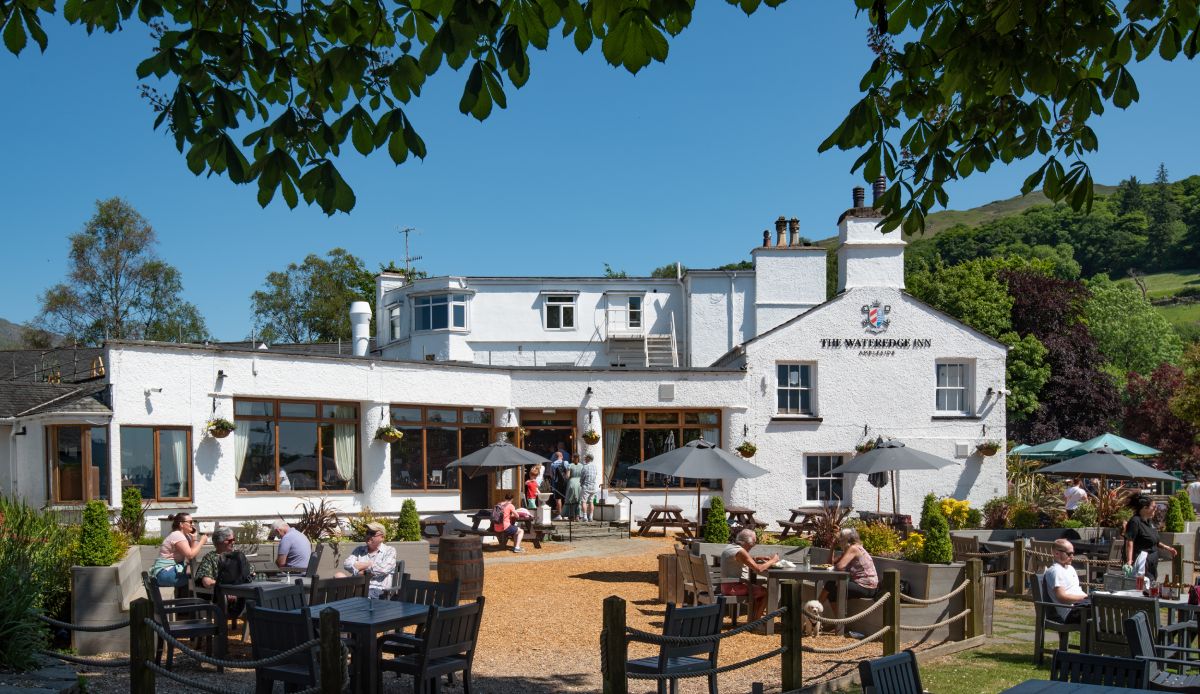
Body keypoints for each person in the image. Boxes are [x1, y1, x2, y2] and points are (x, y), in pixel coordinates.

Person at [719, 529, 780, 620]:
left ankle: (753, 619)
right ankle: (756, 622)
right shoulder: (740, 551)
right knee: (764, 592)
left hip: (725, 586)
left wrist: (757, 558)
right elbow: (758, 569)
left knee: (756, 589)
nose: (753, 546)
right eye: (753, 544)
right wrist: (773, 561)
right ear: (746, 543)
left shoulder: (730, 547)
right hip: (733, 588)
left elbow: (742, 559)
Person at [195, 527, 254, 617]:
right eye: (230, 540)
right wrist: (226, 589)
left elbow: (251, 574)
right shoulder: (210, 557)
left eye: (234, 539)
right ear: (219, 542)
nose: (233, 542)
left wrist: (235, 591)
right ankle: (222, 630)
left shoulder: (238, 556)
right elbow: (207, 582)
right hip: (220, 597)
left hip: (241, 594)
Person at [819, 528, 879, 606]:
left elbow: (839, 566)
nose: (839, 542)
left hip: (867, 588)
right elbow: (830, 564)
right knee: (832, 594)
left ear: (845, 540)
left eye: (840, 540)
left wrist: (837, 566)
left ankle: (812, 612)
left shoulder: (853, 548)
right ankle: (839, 618)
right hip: (866, 587)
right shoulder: (852, 549)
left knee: (830, 584)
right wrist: (832, 547)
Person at [1124, 493, 1177, 581]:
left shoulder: (1149, 522)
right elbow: (1130, 541)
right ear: (1145, 508)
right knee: (1144, 584)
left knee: (1151, 582)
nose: (1156, 509)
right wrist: (1129, 561)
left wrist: (1168, 548)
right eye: (1154, 507)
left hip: (1153, 560)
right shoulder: (1135, 521)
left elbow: (1154, 540)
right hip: (1142, 561)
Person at [337, 522, 397, 598]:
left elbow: (383, 569)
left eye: (372, 533)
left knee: (342, 596)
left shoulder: (390, 550)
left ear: (382, 537)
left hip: (377, 590)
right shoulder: (359, 550)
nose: (368, 536)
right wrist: (368, 564)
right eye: (367, 532)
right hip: (356, 586)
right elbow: (347, 564)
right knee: (338, 576)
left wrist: (361, 571)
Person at [150, 512, 208, 587]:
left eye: (193, 522)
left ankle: (185, 596)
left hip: (168, 571)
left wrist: (194, 538)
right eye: (190, 522)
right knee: (198, 578)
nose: (193, 524)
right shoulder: (177, 535)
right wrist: (202, 542)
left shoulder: (184, 536)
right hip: (164, 573)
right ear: (181, 524)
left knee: (197, 574)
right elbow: (190, 555)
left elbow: (193, 553)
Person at [1044, 539, 1089, 622]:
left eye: (1073, 553)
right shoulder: (1055, 571)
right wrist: (1086, 598)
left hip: (1082, 606)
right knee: (1100, 612)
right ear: (1056, 553)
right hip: (1071, 611)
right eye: (1069, 553)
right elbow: (1062, 597)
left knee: (1105, 608)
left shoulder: (1070, 568)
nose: (1072, 556)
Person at [579, 455, 599, 522]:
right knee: (591, 502)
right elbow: (595, 475)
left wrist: (581, 484)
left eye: (586, 458)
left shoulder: (585, 466)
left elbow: (582, 477)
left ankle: (585, 516)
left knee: (584, 501)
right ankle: (591, 516)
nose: (584, 459)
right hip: (593, 487)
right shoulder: (595, 467)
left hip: (586, 486)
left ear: (588, 458)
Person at [548, 451, 567, 520]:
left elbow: (551, 475)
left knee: (558, 499)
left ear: (555, 457)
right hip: (565, 483)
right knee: (565, 498)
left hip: (557, 483)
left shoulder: (553, 464)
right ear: (562, 456)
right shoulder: (566, 463)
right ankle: (565, 515)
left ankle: (559, 515)